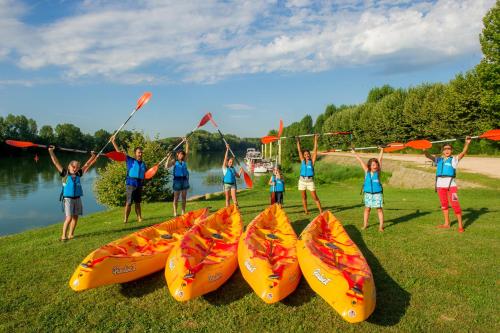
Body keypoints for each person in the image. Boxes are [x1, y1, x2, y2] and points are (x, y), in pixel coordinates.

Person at [48, 146, 97, 241]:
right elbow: (55, 162)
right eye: (73, 167)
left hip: (77, 198)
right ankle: (63, 235)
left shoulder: (79, 173)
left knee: (75, 217)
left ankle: (71, 234)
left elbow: (88, 164)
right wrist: (51, 151)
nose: (75, 169)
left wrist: (93, 156)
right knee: (69, 218)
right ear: (69, 166)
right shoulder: (64, 173)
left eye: (77, 167)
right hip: (68, 199)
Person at [423, 137, 471, 232]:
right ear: (442, 151)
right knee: (444, 205)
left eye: (449, 149)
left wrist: (467, 143)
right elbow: (428, 155)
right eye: (445, 149)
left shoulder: (454, 160)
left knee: (455, 204)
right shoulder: (438, 160)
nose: (447, 150)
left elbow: (463, 153)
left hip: (451, 187)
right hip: (440, 187)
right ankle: (446, 223)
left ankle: (460, 226)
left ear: (451, 150)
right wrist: (424, 148)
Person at [111, 136, 146, 223]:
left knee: (138, 203)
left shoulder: (143, 164)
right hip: (130, 184)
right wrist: (113, 142)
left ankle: (139, 217)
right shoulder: (130, 160)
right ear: (135, 153)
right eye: (139, 152)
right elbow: (119, 153)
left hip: (139, 185)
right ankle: (125, 219)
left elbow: (144, 174)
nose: (140, 154)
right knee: (129, 203)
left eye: (141, 152)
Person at [351, 147, 385, 232]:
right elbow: (360, 161)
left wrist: (382, 149)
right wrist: (354, 152)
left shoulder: (378, 172)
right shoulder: (367, 171)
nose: (375, 166)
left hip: (377, 194)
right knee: (367, 209)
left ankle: (381, 226)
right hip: (368, 194)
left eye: (376, 164)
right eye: (373, 165)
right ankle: (365, 224)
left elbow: (380, 159)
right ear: (370, 166)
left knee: (379, 210)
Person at [296, 135, 322, 214]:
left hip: (310, 182)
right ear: (304, 156)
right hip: (302, 181)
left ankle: (321, 211)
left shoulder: (312, 162)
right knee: (304, 197)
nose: (307, 155)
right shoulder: (302, 161)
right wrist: (298, 141)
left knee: (315, 197)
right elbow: (299, 151)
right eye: (305, 154)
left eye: (308, 154)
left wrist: (315, 140)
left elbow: (315, 151)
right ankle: (306, 211)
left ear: (309, 155)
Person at [170, 140, 189, 216]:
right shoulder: (174, 161)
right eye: (181, 154)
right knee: (176, 198)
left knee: (184, 197)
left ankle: (183, 211)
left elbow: (187, 151)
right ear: (177, 154)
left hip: (184, 180)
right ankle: (175, 212)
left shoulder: (184, 161)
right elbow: (166, 166)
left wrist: (186, 142)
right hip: (177, 180)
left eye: (183, 154)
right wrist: (168, 157)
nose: (182, 155)